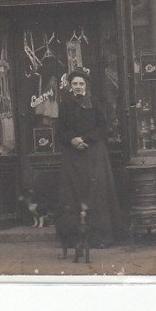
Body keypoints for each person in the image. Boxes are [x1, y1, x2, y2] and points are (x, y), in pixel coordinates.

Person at [56, 69, 125, 251]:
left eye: (81, 84)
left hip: (94, 154)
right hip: (73, 156)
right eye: (75, 84)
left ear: (86, 86)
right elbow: (60, 130)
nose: (78, 87)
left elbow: (103, 127)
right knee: (73, 194)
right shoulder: (64, 105)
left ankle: (100, 237)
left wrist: (85, 140)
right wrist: (72, 140)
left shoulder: (95, 103)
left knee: (97, 193)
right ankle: (74, 238)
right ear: (70, 87)